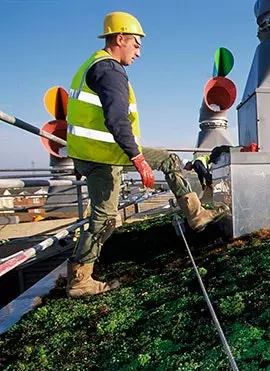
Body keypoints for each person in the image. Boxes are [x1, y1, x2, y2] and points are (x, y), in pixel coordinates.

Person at [65, 11, 225, 298]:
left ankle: (81, 276)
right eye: (136, 44)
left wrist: (82, 160)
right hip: (106, 154)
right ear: (120, 38)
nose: (139, 51)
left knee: (107, 215)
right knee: (163, 165)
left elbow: (87, 119)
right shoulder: (110, 70)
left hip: (92, 154)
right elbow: (117, 119)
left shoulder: (93, 65)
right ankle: (80, 280)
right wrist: (138, 159)